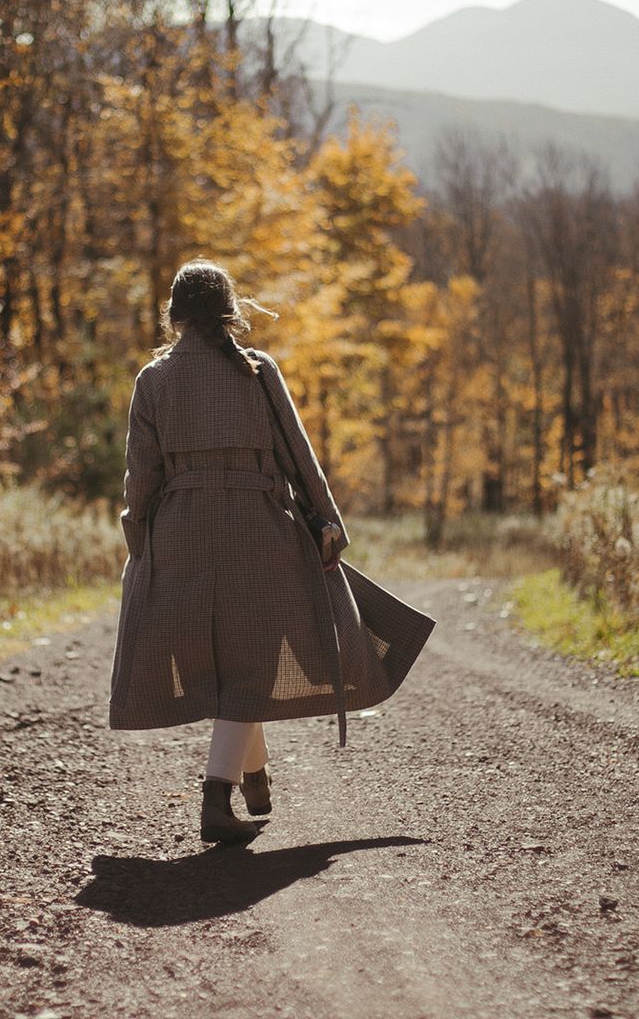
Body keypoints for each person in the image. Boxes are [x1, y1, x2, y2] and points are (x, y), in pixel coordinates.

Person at [107, 259, 428, 846]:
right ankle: (217, 796)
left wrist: (139, 541)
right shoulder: (257, 371)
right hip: (257, 526)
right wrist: (327, 521)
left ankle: (252, 772)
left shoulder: (152, 381)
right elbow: (296, 454)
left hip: (180, 532)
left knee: (225, 664)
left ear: (175, 314)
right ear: (228, 308)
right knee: (251, 659)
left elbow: (140, 477)